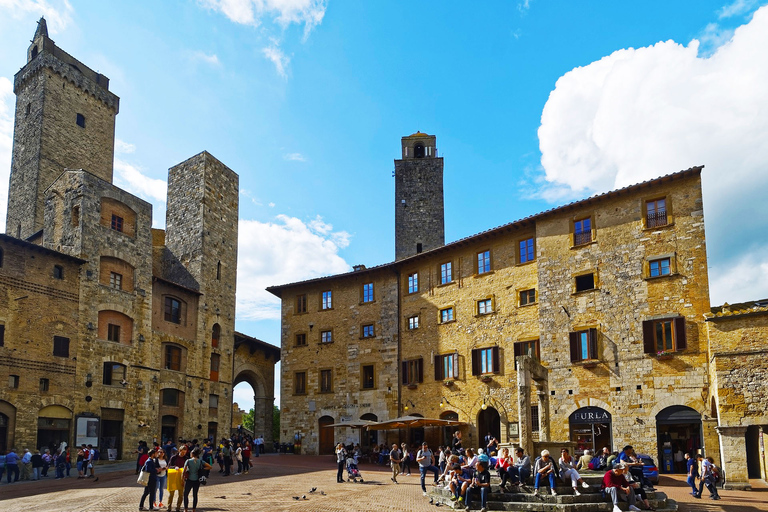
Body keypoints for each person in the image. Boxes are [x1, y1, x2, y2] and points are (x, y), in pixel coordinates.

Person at [183, 447, 211, 512]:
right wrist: (202, 469)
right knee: (195, 495)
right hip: (197, 480)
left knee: (185, 494)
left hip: (189, 479)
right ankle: (194, 509)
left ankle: (186, 509)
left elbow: (184, 471)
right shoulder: (200, 461)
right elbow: (210, 466)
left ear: (192, 453)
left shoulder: (188, 461)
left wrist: (182, 479)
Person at [168, 446, 189, 512]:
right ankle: (169, 507)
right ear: (179, 451)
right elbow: (169, 466)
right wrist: (174, 467)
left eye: (185, 452)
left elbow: (188, 468)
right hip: (174, 476)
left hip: (182, 477)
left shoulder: (186, 459)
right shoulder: (174, 457)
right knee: (171, 493)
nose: (183, 454)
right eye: (182, 452)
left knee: (181, 494)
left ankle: (178, 507)